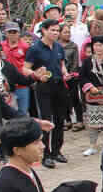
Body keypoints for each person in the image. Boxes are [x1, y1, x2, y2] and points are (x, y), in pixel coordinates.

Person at [25, 19, 70, 168]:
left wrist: (65, 73)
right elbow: (25, 69)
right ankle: (46, 154)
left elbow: (61, 64)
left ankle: (57, 151)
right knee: (46, 119)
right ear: (44, 30)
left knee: (59, 119)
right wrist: (37, 75)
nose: (56, 33)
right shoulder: (35, 48)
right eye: (53, 30)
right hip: (44, 86)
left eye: (57, 30)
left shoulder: (58, 47)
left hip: (59, 85)